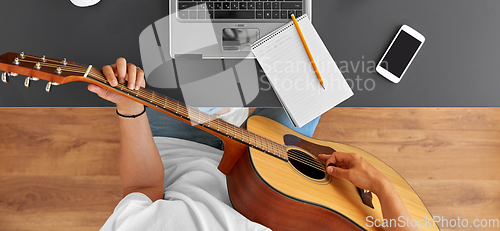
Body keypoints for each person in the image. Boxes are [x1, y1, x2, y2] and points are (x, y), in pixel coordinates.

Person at [88, 58, 419, 231]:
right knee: (316, 76)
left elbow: (143, 186)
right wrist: (380, 185)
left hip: (175, 149)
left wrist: (130, 108)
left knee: (178, 31)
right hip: (271, 182)